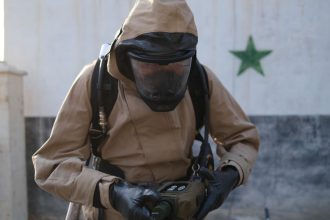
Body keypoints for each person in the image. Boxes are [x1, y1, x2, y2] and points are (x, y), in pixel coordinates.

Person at [32, 0, 259, 220]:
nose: (163, 79)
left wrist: (228, 176)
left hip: (182, 210)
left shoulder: (200, 79)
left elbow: (243, 138)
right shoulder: (97, 80)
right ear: (126, 57)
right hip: (111, 213)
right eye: (149, 66)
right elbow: (52, 166)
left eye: (176, 67)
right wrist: (114, 193)